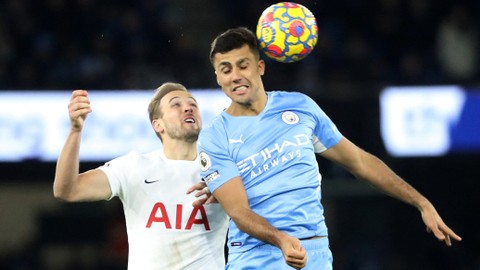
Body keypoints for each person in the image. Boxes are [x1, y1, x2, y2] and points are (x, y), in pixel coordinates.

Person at [196, 27, 462, 269]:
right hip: (256, 256)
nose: (236, 76)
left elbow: (359, 162)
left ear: (261, 67)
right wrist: (280, 239)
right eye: (226, 69)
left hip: (314, 253)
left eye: (243, 65)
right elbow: (238, 211)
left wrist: (421, 202)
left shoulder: (300, 107)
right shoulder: (215, 137)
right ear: (218, 77)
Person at [53, 82, 229, 269]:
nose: (188, 108)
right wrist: (75, 131)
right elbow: (67, 190)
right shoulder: (134, 167)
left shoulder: (223, 170)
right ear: (158, 124)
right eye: (176, 104)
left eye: (193, 105)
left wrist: (230, 195)